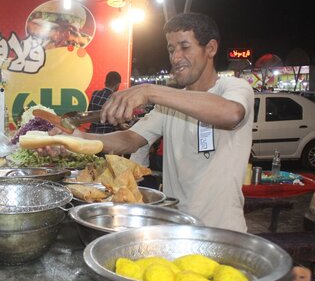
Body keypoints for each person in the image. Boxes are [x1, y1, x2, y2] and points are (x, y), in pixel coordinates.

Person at [45, 13, 254, 232]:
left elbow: (232, 114)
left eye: (185, 47)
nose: (175, 58)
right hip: (176, 227)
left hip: (222, 231)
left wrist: (149, 90)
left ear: (210, 48)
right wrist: (77, 139)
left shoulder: (233, 88)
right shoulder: (170, 104)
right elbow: (130, 139)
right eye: (171, 50)